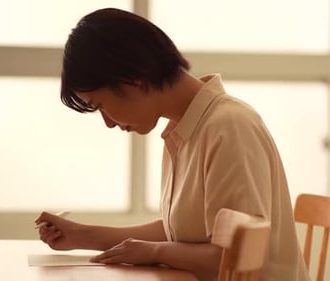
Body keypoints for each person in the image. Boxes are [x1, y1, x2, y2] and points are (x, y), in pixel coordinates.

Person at [36, 7, 310, 281]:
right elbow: (179, 232)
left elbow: (237, 257)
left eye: (101, 106)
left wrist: (156, 252)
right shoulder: (185, 130)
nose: (108, 123)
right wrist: (81, 235)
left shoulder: (229, 126)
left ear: (134, 81)